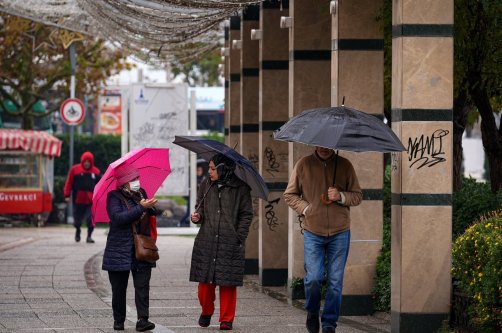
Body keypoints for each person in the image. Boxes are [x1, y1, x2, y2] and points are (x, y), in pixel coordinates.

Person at [283, 146, 362, 333]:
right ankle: (312, 312)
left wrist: (341, 196)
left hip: (340, 231)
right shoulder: (303, 164)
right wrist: (306, 209)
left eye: (328, 145)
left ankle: (329, 324)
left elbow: (357, 196)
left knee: (335, 281)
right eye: (321, 144)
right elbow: (289, 194)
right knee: (314, 279)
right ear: (315, 144)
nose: (324, 148)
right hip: (313, 231)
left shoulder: (345, 165)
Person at [189, 153, 253, 331]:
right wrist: (197, 216)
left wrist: (239, 236)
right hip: (207, 240)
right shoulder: (206, 184)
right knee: (204, 283)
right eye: (209, 168)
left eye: (212, 168)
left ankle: (226, 319)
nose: (209, 172)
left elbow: (246, 214)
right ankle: (206, 310)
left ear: (222, 168)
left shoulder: (241, 188)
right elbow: (199, 206)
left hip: (230, 241)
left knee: (228, 283)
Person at [102, 164, 158, 332]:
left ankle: (143, 319)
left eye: (137, 178)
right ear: (124, 182)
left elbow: (147, 216)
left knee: (142, 286)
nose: (137, 181)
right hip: (119, 249)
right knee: (118, 288)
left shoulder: (142, 194)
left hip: (141, 247)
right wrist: (141, 207)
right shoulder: (114, 197)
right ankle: (119, 320)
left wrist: (152, 209)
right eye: (133, 179)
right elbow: (118, 218)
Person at [64, 151, 101, 243]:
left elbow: (100, 185)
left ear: (91, 162)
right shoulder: (75, 170)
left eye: (89, 161)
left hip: (91, 200)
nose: (87, 163)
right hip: (78, 199)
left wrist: (100, 197)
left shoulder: (96, 172)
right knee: (77, 220)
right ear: (82, 161)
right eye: (85, 161)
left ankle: (89, 236)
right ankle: (78, 230)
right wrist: (67, 194)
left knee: (91, 219)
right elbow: (69, 183)